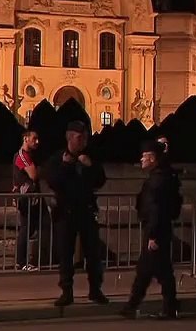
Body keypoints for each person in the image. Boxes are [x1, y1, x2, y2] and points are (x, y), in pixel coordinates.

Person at [40, 121, 108, 307]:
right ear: (70, 137)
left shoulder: (89, 157)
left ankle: (95, 289)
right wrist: (66, 166)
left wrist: (90, 166)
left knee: (93, 253)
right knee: (65, 253)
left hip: (86, 210)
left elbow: (100, 180)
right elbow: (52, 181)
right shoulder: (58, 159)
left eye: (85, 136)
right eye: (80, 137)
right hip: (65, 212)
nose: (83, 140)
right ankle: (67, 291)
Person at [121, 140, 182, 320]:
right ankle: (160, 306)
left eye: (144, 156)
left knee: (153, 270)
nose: (141, 159)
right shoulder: (164, 176)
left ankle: (138, 305)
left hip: (156, 229)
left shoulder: (158, 180)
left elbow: (155, 208)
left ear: (153, 158)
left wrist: (153, 235)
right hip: (159, 228)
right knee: (152, 270)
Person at [13, 130, 50, 271]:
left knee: (42, 226)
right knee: (26, 228)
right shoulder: (22, 156)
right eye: (34, 139)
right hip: (27, 198)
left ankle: (40, 258)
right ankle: (21, 262)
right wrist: (40, 171)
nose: (37, 142)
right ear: (25, 138)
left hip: (35, 196)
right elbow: (34, 174)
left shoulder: (31, 155)